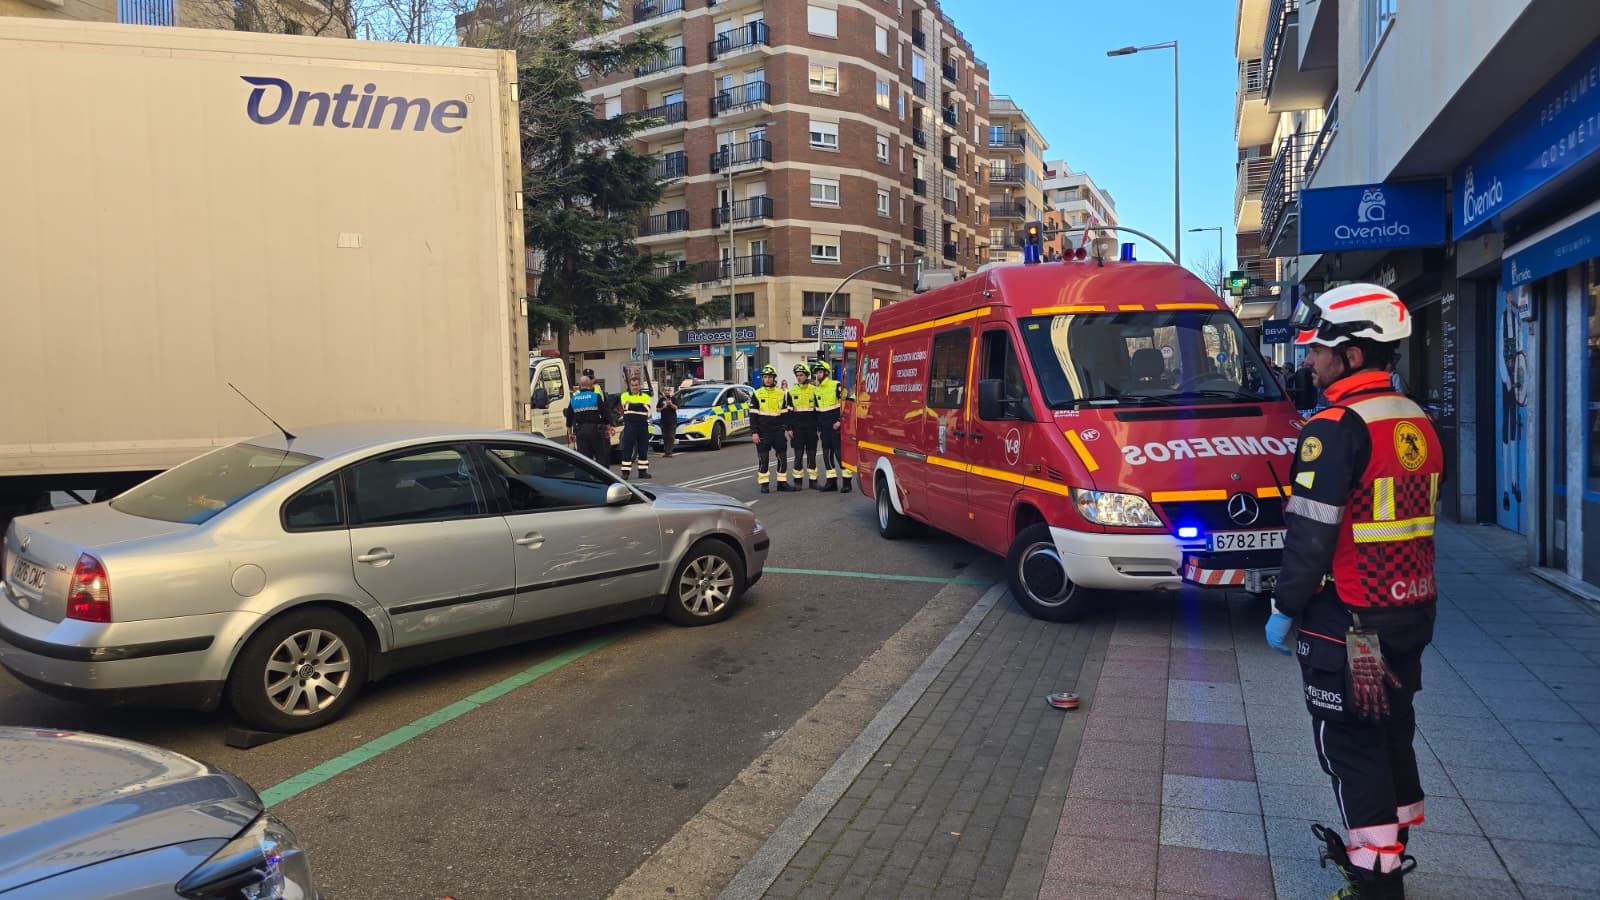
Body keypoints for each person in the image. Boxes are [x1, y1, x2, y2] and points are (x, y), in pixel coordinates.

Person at [1263, 282, 1442, 900]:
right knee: (1391, 733)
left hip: (1351, 621)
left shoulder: (1336, 428)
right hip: (1411, 609)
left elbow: (1311, 536)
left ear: (1353, 355)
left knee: (1350, 745)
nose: (1309, 360)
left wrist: (1285, 606)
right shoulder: (1417, 418)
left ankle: (1375, 881)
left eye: (1318, 349)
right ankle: (1391, 853)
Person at [750, 364, 794, 493]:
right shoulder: (757, 393)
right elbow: (753, 415)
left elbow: (785, 414)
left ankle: (782, 483)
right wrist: (754, 432)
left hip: (778, 431)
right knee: (763, 459)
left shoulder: (781, 393)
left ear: (774, 378)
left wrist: (788, 428)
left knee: (782, 457)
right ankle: (764, 484)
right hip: (763, 432)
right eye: (765, 377)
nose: (767, 379)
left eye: (770, 377)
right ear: (762, 378)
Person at [812, 361, 853, 493]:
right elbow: (817, 410)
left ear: (826, 373)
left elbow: (847, 404)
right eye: (817, 372)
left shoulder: (836, 385)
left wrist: (840, 421)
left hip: (836, 426)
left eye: (820, 372)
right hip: (824, 429)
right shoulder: (816, 390)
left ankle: (847, 482)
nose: (818, 375)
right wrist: (818, 427)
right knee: (826, 455)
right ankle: (831, 482)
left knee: (840, 454)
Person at [565, 374, 614, 465]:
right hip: (595, 431)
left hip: (580, 432)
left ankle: (586, 474)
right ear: (591, 385)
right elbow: (604, 413)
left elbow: (569, 418)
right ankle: (601, 473)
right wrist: (609, 427)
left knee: (585, 459)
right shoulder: (596, 396)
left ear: (580, 386)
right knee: (601, 456)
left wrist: (570, 434)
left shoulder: (574, 399)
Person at [788, 363, 820, 488]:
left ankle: (813, 481)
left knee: (812, 456)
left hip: (811, 429)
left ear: (807, 375)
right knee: (798, 456)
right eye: (797, 375)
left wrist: (818, 427)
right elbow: (788, 412)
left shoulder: (814, 390)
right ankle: (798, 481)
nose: (799, 377)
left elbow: (818, 410)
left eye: (801, 375)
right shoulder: (791, 391)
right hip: (797, 430)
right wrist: (789, 428)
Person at [617, 374, 653, 479]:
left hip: (643, 426)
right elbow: (626, 406)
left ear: (639, 385)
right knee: (627, 448)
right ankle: (625, 473)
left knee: (643, 449)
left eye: (636, 385)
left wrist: (632, 405)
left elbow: (646, 408)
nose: (635, 387)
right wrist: (639, 405)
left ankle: (642, 472)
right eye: (633, 385)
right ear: (630, 386)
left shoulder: (646, 396)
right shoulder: (624, 396)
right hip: (630, 425)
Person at [657, 386, 679, 457]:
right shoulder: (661, 400)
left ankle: (670, 452)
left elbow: (676, 407)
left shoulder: (673, 398)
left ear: (670, 391)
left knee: (671, 436)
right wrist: (663, 407)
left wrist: (670, 404)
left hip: (672, 420)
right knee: (665, 436)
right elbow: (657, 409)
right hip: (663, 420)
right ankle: (666, 451)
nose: (666, 391)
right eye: (665, 390)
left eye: (668, 390)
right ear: (663, 391)